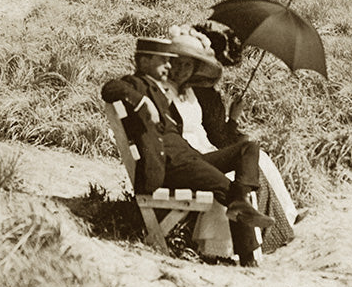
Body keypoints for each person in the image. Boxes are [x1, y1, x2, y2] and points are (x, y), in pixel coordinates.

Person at [101, 37, 275, 260]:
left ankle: (239, 204)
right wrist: (140, 102)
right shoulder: (135, 84)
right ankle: (248, 258)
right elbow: (110, 88)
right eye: (163, 61)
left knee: (248, 148)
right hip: (171, 165)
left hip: (189, 159)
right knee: (231, 189)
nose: (168, 66)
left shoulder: (158, 90)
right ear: (144, 62)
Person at [162, 24, 299, 261]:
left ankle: (254, 219)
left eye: (188, 65)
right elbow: (186, 138)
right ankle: (243, 237)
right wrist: (232, 122)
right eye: (178, 63)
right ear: (169, 63)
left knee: (252, 154)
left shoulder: (190, 92)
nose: (182, 70)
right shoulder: (165, 94)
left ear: (196, 68)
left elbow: (209, 131)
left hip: (202, 150)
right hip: (189, 158)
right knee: (248, 157)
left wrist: (232, 119)